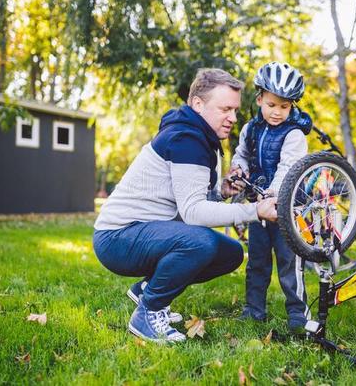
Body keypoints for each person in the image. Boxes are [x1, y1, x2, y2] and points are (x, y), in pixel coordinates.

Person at [93, 68, 278, 343]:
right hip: (117, 237)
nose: (233, 118)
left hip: (144, 231)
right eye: (225, 108)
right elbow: (193, 213)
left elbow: (189, 199)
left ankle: (148, 289)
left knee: (231, 253)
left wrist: (221, 191)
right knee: (201, 242)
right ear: (198, 104)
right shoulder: (186, 139)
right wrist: (254, 212)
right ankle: (148, 312)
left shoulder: (200, 136)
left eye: (235, 110)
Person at [230, 62, 312, 331]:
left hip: (287, 210)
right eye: (272, 105)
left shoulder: (294, 134)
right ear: (260, 99)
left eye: (284, 107)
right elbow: (242, 155)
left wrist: (273, 193)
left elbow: (288, 167)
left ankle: (298, 315)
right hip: (259, 208)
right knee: (257, 262)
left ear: (292, 106)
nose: (277, 112)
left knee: (290, 264)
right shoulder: (250, 130)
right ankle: (254, 310)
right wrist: (238, 169)